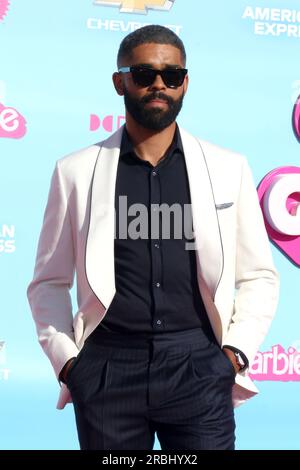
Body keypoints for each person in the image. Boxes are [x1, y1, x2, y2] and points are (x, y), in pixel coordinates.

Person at [27, 25, 279, 450]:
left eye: (173, 74)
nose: (159, 84)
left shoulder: (227, 167)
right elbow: (48, 282)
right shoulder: (74, 172)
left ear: (185, 82)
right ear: (120, 81)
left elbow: (258, 276)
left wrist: (232, 355)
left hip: (199, 368)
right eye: (144, 74)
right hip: (108, 371)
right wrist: (71, 364)